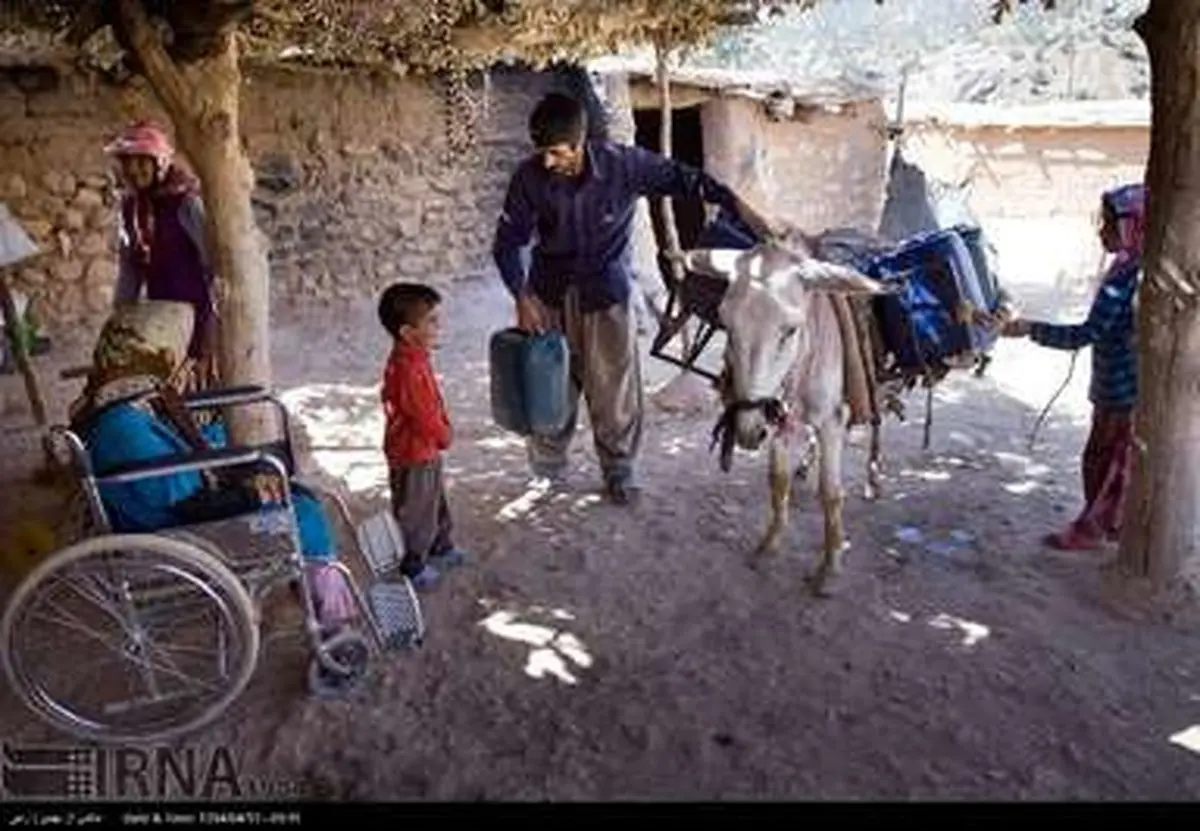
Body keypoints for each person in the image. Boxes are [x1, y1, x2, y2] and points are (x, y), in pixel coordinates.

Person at [492, 92, 787, 504]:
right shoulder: (529, 178)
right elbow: (507, 243)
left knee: (615, 388)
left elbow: (691, 181)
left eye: (556, 152)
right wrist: (522, 296)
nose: (548, 162)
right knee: (551, 386)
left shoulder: (624, 166)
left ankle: (618, 470)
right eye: (542, 152)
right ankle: (548, 468)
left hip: (606, 295)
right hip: (551, 297)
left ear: (579, 144)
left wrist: (743, 209)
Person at [68, 300, 357, 629]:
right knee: (304, 513)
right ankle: (333, 617)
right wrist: (243, 482)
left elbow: (170, 455)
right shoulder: (123, 426)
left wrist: (215, 439)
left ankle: (310, 586)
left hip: (171, 505)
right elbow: (181, 496)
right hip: (177, 525)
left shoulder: (114, 406)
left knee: (286, 487)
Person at [995, 182, 1146, 551]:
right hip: (1115, 380)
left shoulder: (1130, 277)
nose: (1102, 232)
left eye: (1110, 224)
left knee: (1104, 457)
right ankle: (1110, 527)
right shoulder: (1127, 266)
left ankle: (1095, 530)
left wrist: (1030, 329)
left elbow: (1088, 333)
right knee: (1110, 456)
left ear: (1132, 226)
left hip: (1123, 386)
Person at [106, 121, 218, 390]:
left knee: (200, 387)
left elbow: (214, 269)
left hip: (198, 313)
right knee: (166, 386)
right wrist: (120, 321)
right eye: (127, 163)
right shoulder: (132, 207)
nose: (133, 170)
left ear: (160, 162)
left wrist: (209, 337)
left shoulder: (186, 202)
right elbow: (131, 267)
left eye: (142, 162)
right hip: (162, 316)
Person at [378, 282, 467, 592]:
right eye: (430, 321)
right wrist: (443, 434)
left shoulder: (415, 357)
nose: (438, 326)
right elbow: (423, 415)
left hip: (424, 450)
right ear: (407, 332)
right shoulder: (407, 369)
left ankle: (441, 545)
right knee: (416, 509)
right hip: (413, 452)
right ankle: (412, 563)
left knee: (434, 500)